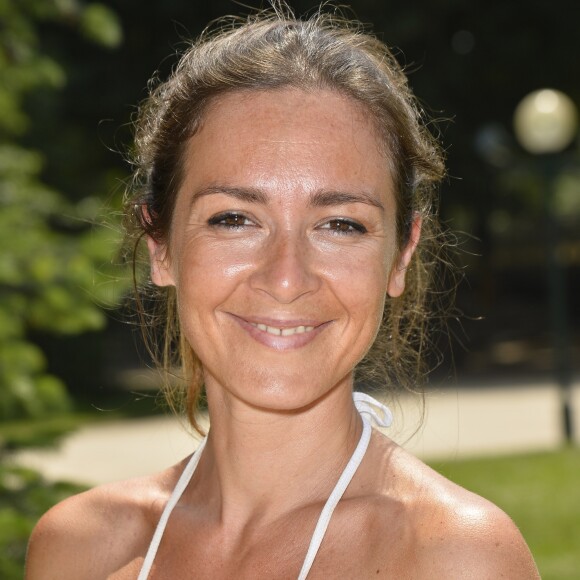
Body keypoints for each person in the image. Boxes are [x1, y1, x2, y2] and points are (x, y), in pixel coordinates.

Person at [26, 4, 540, 578]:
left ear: (401, 256)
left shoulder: (454, 557)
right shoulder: (79, 549)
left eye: (341, 224)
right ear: (161, 245)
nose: (287, 278)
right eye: (234, 219)